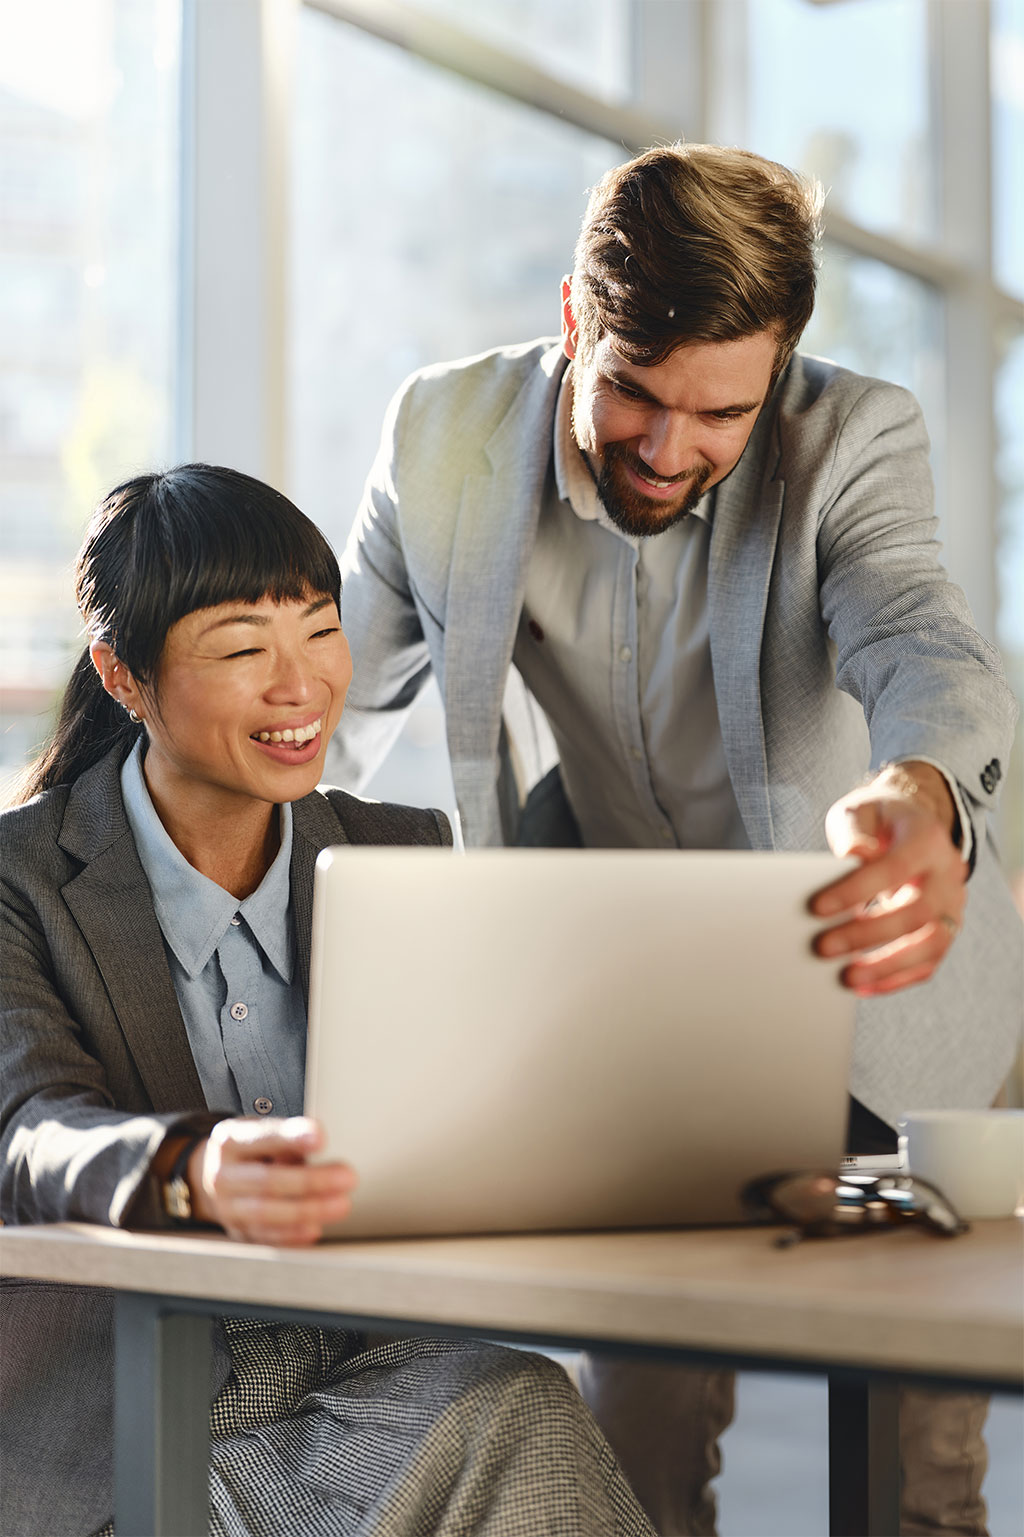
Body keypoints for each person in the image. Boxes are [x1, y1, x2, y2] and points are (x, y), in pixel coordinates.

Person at [326, 144, 1023, 1535]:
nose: (668, 448)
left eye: (721, 413)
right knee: (631, 1446)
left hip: (893, 987)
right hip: (639, 1014)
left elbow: (922, 637)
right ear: (576, 319)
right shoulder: (446, 436)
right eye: (637, 393)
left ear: (781, 374)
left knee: (914, 1473)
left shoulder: (854, 437)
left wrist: (928, 791)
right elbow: (325, 699)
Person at [0, 464, 656, 1537]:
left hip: (367, 1365)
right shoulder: (20, 878)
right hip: (128, 1417)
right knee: (514, 1418)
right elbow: (28, 1133)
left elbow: (475, 1121)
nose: (301, 686)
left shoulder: (398, 851)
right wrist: (188, 1167)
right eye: (245, 649)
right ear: (124, 678)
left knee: (516, 1403)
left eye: (319, 630)